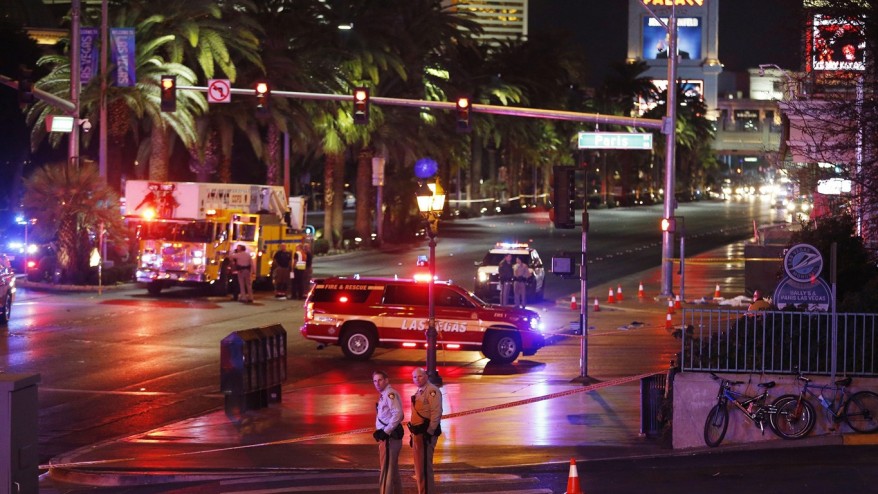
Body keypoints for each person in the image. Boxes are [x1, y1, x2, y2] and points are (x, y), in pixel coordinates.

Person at [408, 367, 442, 494]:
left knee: (425, 469)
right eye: (414, 377)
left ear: (426, 376)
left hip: (426, 434)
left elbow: (436, 412)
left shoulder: (432, 391)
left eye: (420, 376)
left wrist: (430, 432)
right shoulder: (419, 391)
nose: (417, 379)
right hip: (418, 434)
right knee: (419, 468)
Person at [372, 370, 404, 494]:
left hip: (390, 439)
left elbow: (398, 414)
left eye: (380, 380)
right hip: (389, 437)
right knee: (393, 471)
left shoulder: (390, 394)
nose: (377, 383)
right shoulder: (384, 394)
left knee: (386, 471)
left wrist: (386, 431)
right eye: (375, 381)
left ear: (386, 380)